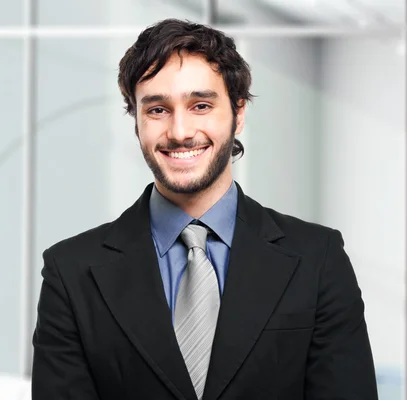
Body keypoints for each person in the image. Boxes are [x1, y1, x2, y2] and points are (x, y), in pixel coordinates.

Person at [31, 18, 378, 400]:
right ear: (136, 121)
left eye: (200, 105)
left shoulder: (318, 258)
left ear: (238, 113)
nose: (180, 131)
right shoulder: (70, 272)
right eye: (157, 110)